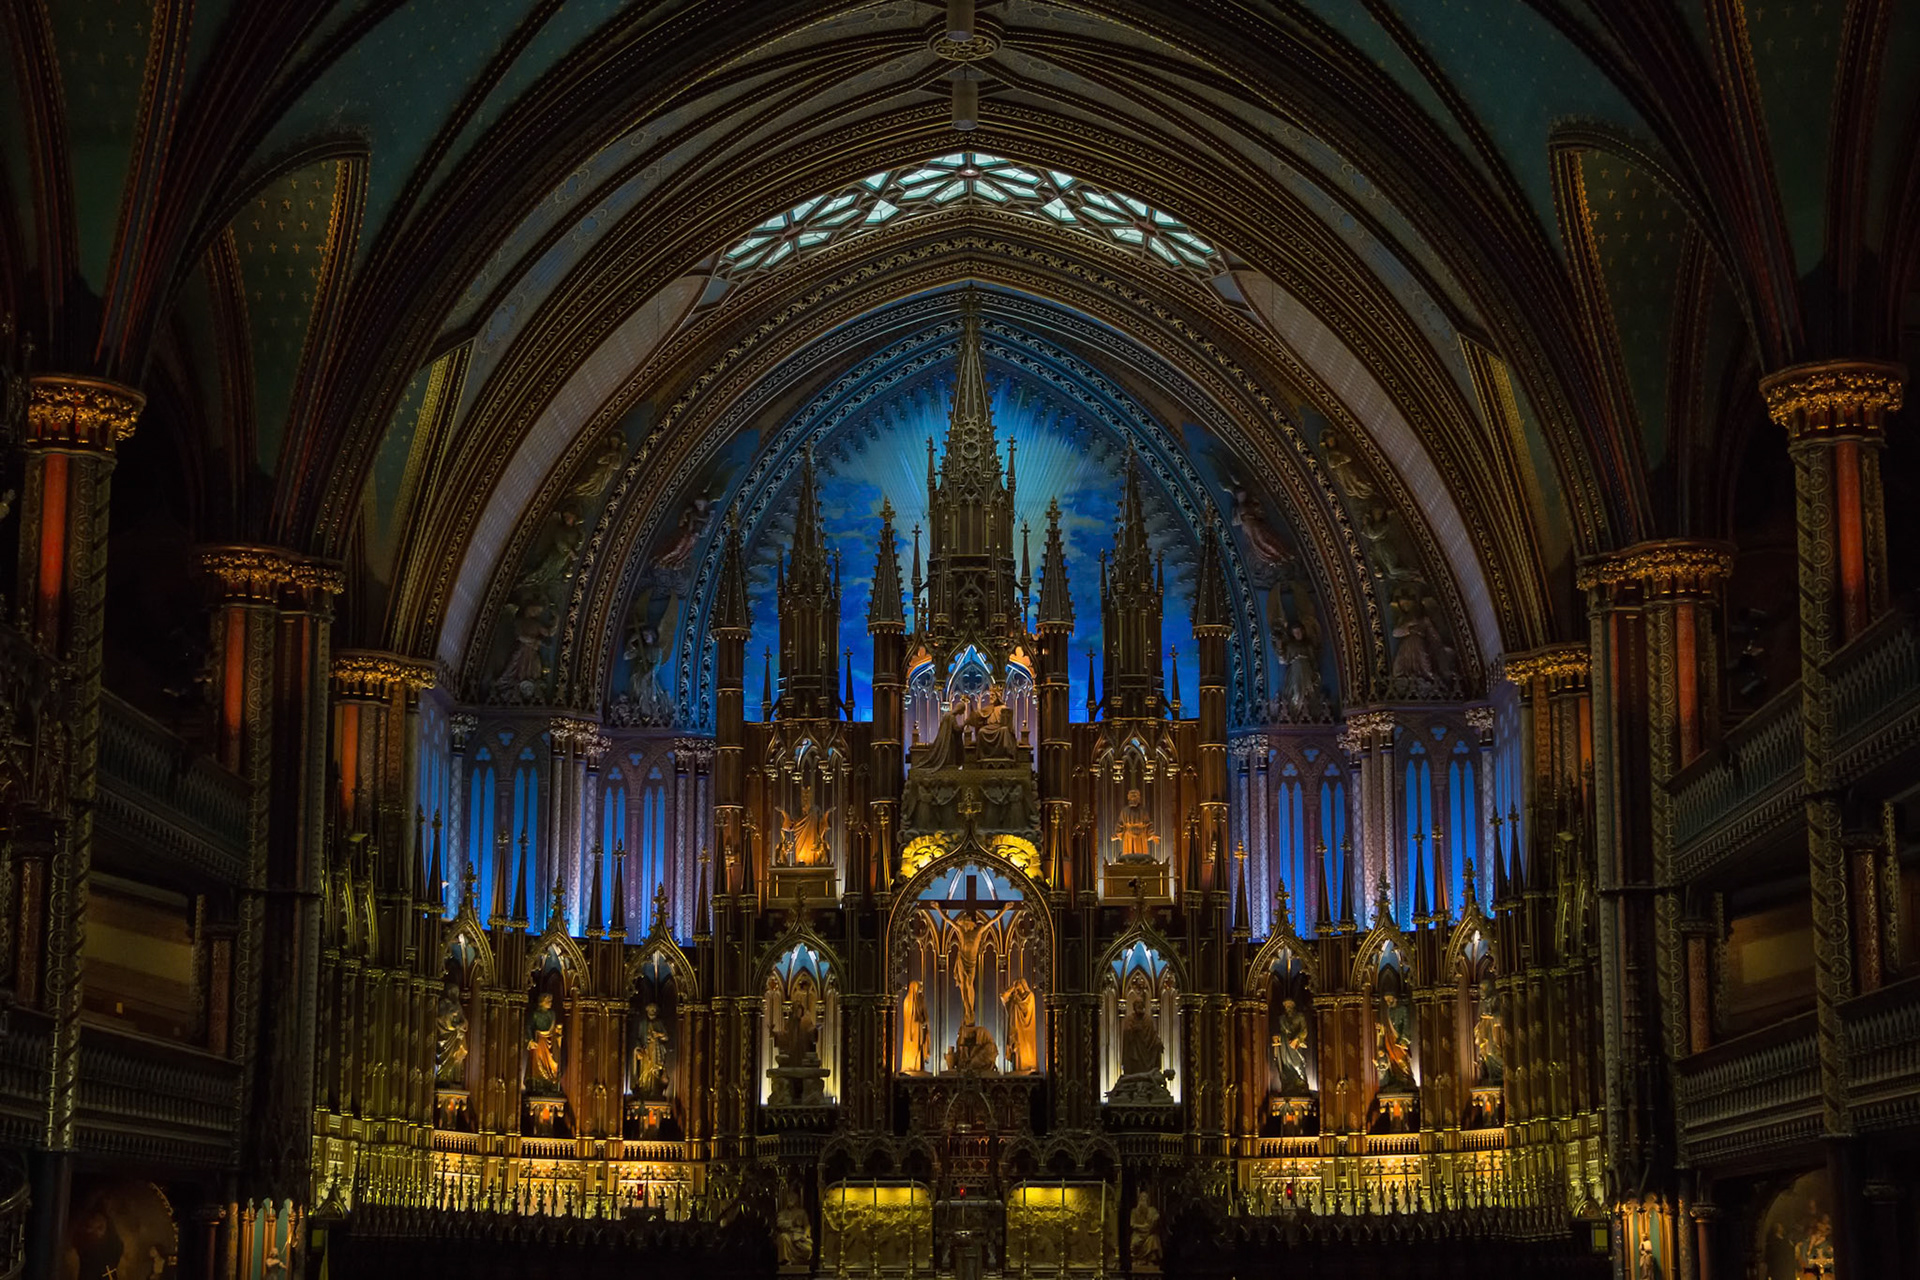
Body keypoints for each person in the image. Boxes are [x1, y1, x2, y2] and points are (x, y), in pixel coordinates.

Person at [526, 991, 564, 1092]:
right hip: (539, 1041)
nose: (550, 1003)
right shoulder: (535, 1014)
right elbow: (529, 1027)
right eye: (548, 1001)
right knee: (538, 1063)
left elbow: (554, 1029)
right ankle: (538, 1085)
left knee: (554, 1063)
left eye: (551, 1001)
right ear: (542, 1002)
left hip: (550, 1040)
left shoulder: (552, 1014)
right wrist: (530, 1040)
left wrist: (558, 1031)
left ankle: (551, 1083)